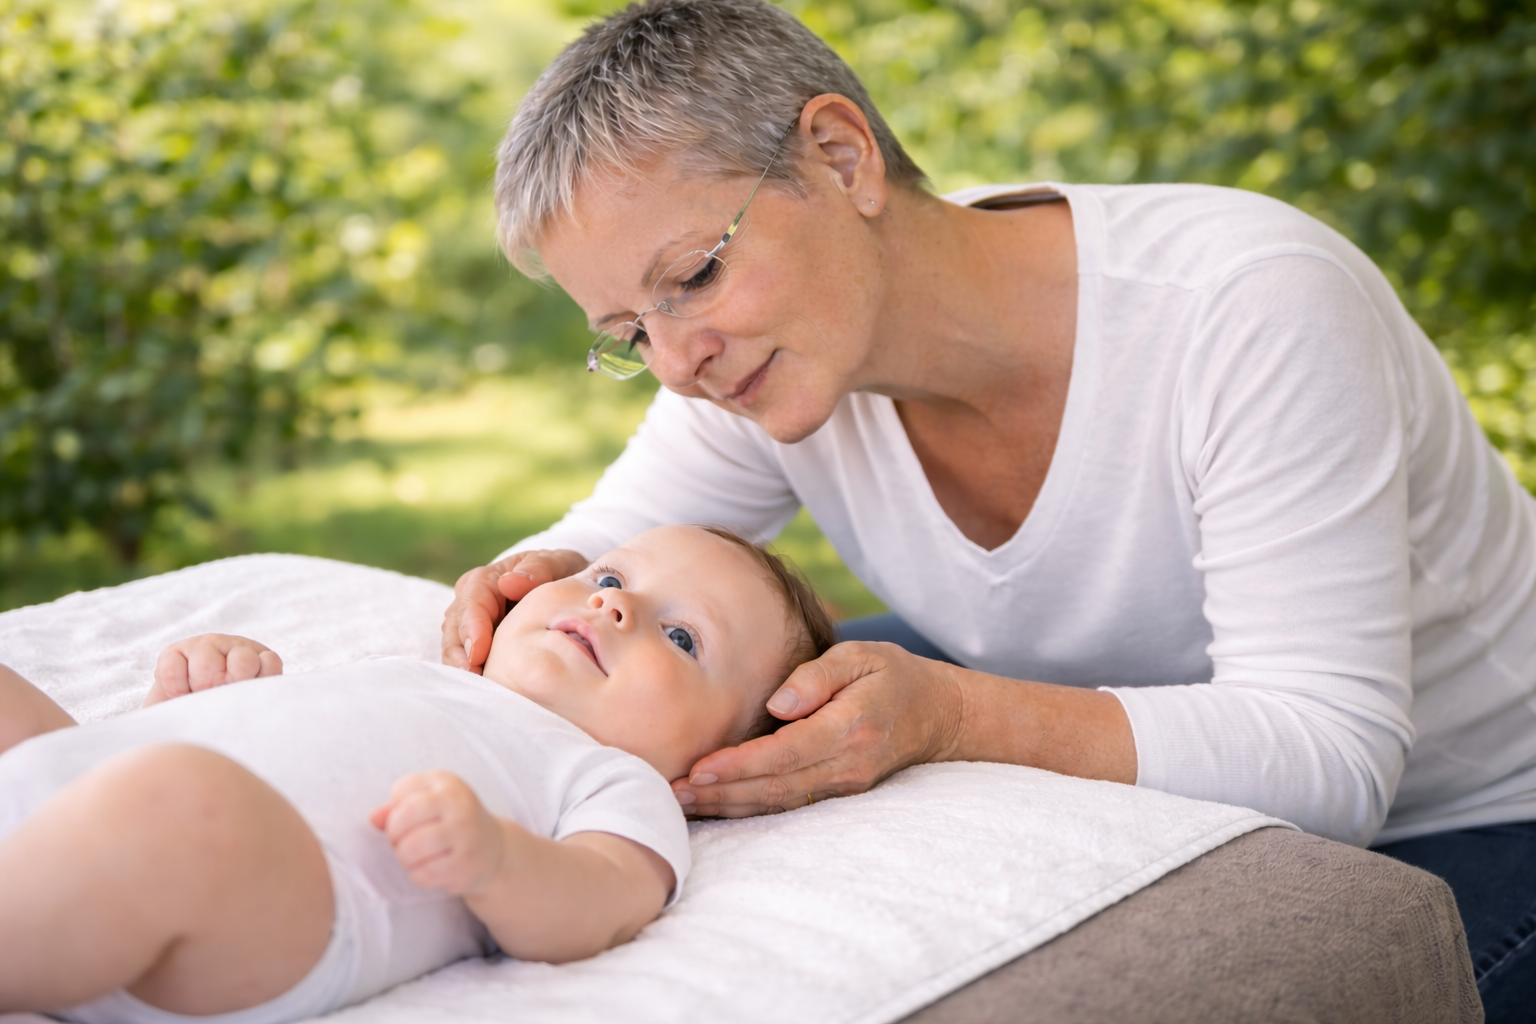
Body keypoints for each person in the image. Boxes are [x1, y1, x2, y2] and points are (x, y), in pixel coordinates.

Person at [438, 0, 1536, 1016]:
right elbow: (596, 545)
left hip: (1481, 811)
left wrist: (955, 718)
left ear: (842, 157)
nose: (679, 364)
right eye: (632, 332)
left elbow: (1333, 760)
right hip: (1155, 742)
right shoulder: (765, 364)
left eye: (693, 278)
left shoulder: (1247, 310)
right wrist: (520, 587)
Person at [0, 525, 833, 1024]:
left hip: (259, 919)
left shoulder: (616, 780)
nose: (615, 605)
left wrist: (498, 861)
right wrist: (196, 700)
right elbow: (270, 746)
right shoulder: (417, 675)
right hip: (89, 810)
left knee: (182, 804)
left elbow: (602, 902)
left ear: (712, 766)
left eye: (683, 638)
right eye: (609, 578)